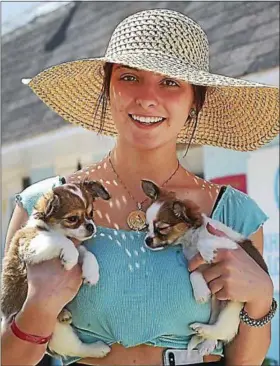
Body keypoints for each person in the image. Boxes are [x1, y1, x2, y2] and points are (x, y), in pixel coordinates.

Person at [2, 8, 279, 366]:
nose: (148, 97)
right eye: (130, 77)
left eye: (170, 82)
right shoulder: (45, 207)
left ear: (196, 100)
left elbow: (244, 362)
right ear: (107, 88)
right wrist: (38, 306)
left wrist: (261, 296)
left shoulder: (233, 215)